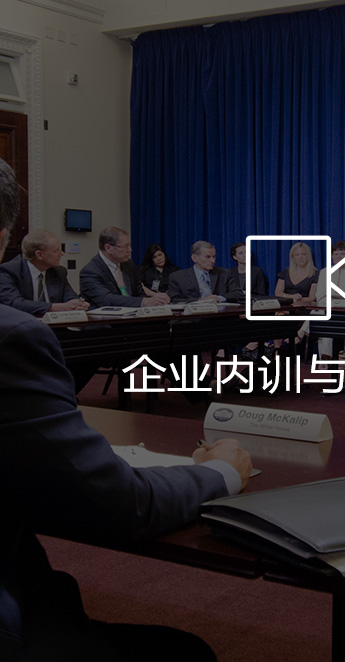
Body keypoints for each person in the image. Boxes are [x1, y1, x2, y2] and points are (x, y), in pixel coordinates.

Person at [0, 157, 252, 660]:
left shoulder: (93, 277)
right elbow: (119, 503)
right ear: (6, 236)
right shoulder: (13, 341)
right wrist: (222, 471)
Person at [0, 229, 89, 315]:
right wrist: (55, 307)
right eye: (56, 250)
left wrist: (78, 304)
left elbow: (70, 297)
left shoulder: (59, 271)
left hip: (55, 324)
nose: (62, 253)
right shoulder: (9, 271)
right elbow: (15, 303)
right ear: (39, 255)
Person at [80, 227, 170, 308]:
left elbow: (139, 292)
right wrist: (143, 302)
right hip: (107, 320)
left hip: (133, 317)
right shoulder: (90, 272)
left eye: (129, 245)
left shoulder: (128, 264)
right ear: (108, 248)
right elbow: (106, 299)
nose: (130, 250)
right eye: (125, 246)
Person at [314, 240, 345, 360]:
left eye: (342, 254)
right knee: (322, 314)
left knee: (320, 315)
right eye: (336, 254)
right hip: (327, 306)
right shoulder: (324, 272)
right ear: (331, 256)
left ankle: (324, 357)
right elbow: (320, 295)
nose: (339, 257)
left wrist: (334, 296)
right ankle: (326, 357)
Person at [168, 240, 243, 303]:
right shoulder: (178, 277)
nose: (212, 261)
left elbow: (238, 293)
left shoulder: (224, 273)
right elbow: (174, 300)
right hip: (193, 315)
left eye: (214, 257)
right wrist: (200, 301)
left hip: (220, 314)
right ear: (194, 258)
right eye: (208, 257)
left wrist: (218, 298)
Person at [274, 242, 319, 306]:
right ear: (293, 257)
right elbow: (278, 293)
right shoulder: (285, 272)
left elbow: (312, 298)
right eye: (297, 255)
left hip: (304, 307)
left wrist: (296, 301)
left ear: (308, 256)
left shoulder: (315, 274)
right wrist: (290, 297)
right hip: (285, 305)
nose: (300, 257)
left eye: (303, 254)